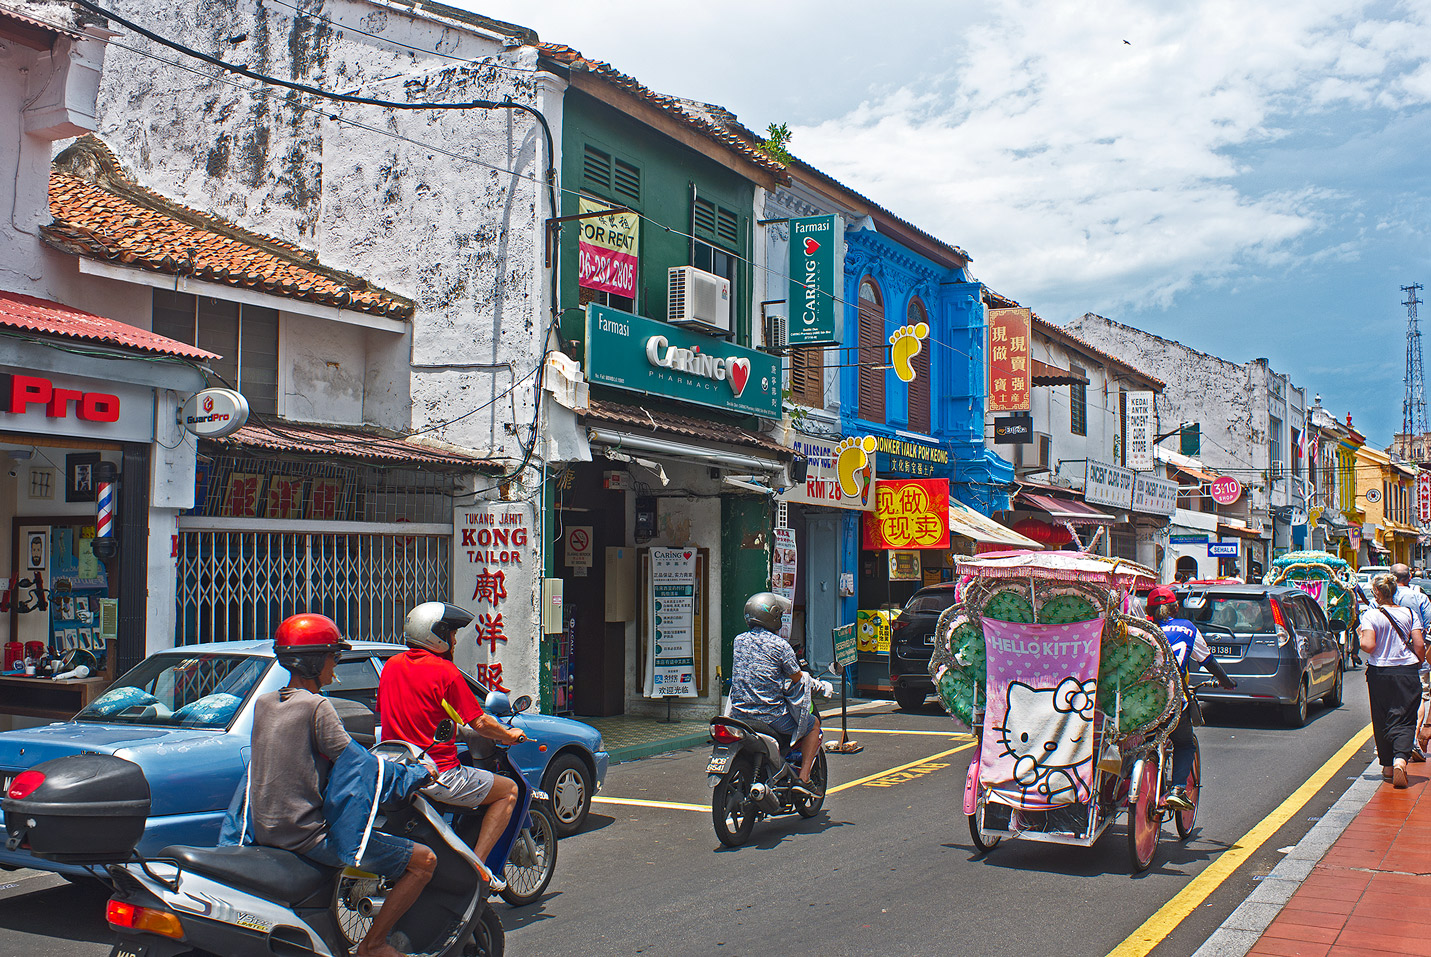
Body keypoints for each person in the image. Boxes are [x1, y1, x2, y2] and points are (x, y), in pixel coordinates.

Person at [250, 614, 436, 957]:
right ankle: (374, 944)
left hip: (265, 830)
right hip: (305, 836)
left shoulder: (264, 704)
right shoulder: (317, 705)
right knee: (423, 861)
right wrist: (417, 774)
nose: (335, 664)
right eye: (333, 656)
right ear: (316, 659)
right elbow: (358, 762)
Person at [378, 602, 526, 883]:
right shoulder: (445, 672)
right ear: (436, 634)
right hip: (437, 773)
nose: (455, 640)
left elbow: (419, 713)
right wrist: (510, 735)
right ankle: (478, 869)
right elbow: (480, 722)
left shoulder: (391, 666)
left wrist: (450, 730)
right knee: (509, 791)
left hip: (396, 768)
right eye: (452, 633)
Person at [728, 592, 829, 795]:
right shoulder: (780, 646)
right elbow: (798, 678)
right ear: (772, 617)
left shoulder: (739, 641)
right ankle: (803, 779)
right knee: (812, 725)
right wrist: (822, 687)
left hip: (738, 715)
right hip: (770, 717)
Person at [1146, 586, 1237, 810]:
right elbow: (1208, 660)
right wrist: (1226, 682)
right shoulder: (1187, 628)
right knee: (1185, 743)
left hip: (1140, 702)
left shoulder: (1143, 628)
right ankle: (1177, 789)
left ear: (1150, 610)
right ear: (1175, 608)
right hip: (1171, 701)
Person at [1360, 573, 1425, 788]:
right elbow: (1419, 645)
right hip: (1406, 671)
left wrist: (1361, 635)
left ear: (1377, 592)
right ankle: (1400, 760)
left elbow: (1368, 646)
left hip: (1380, 672)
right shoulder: (1409, 613)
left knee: (1382, 718)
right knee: (1406, 718)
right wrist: (1419, 662)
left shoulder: (1371, 615)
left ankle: (1387, 767)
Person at [1391, 564, 1431, 761]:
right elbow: (1427, 628)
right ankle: (1413, 740)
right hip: (1416, 654)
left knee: (1392, 699)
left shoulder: (1382, 597)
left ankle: (1392, 741)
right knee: (1420, 697)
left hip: (1388, 660)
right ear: (1409, 579)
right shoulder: (1420, 598)